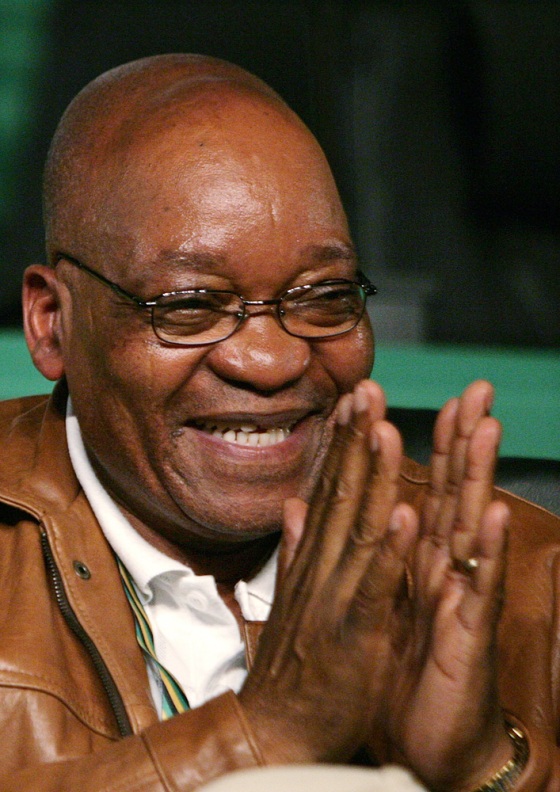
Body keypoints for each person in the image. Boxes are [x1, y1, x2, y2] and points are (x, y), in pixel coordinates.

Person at [0, 53, 558, 791]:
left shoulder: (534, 582)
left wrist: (487, 766)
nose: (271, 361)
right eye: (190, 306)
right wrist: (263, 734)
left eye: (323, 297)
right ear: (53, 322)